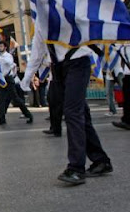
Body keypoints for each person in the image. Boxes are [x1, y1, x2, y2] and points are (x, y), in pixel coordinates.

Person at [21, 31, 112, 184]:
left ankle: (76, 168)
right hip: (58, 67)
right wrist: (27, 78)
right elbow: (38, 51)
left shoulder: (67, 10)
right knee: (81, 113)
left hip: (77, 62)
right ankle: (101, 161)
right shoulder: (42, 20)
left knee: (72, 112)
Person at [0, 41, 33, 125]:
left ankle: (29, 115)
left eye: (1, 46)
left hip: (9, 79)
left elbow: (9, 63)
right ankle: (1, 118)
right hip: (2, 80)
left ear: (5, 47)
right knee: (1, 100)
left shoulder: (8, 56)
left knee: (16, 99)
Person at [113, 47, 130, 131]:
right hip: (127, 74)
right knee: (126, 99)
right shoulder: (124, 46)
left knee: (127, 99)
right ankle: (126, 120)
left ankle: (127, 121)